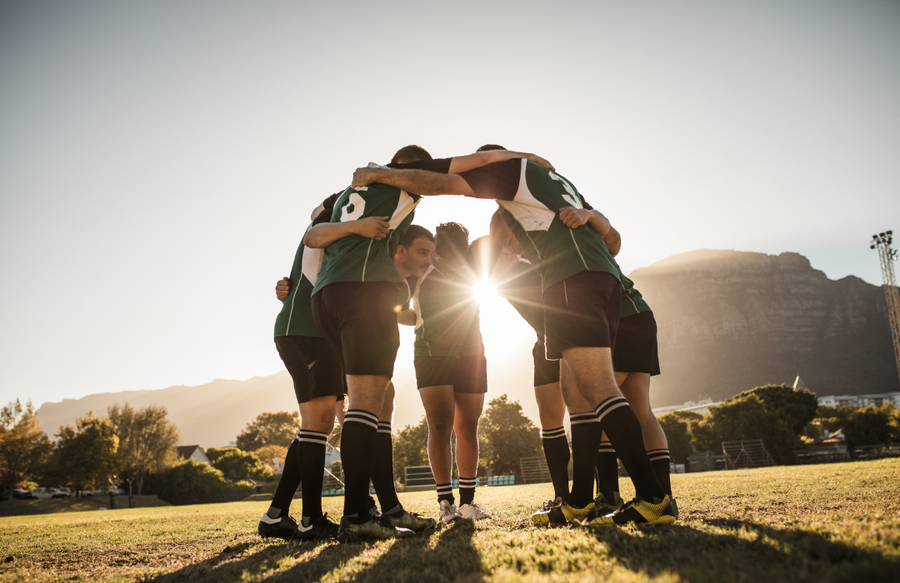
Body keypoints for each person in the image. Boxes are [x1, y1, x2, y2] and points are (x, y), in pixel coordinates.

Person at [351, 152, 676, 527]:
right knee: (603, 397)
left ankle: (646, 499)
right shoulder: (560, 188)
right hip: (606, 280)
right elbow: (614, 243)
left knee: (597, 394)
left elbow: (444, 179)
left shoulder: (511, 172)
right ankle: (605, 498)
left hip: (572, 281)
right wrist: (591, 221)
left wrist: (386, 175)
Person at [309, 146, 547, 541]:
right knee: (369, 407)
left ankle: (383, 509)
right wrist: (525, 159)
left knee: (375, 403)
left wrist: (353, 223)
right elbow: (478, 163)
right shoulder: (400, 184)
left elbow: (313, 231)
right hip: (364, 292)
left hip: (326, 296)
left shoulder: (354, 193)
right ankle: (359, 515)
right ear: (411, 168)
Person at [259, 193, 389, 541]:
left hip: (303, 328)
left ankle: (277, 515)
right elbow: (319, 273)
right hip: (309, 328)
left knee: (315, 426)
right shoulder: (333, 229)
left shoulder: (332, 229)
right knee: (319, 426)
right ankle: (312, 518)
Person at [412, 222, 490, 523]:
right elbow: (402, 309)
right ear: (436, 254)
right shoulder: (421, 274)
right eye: (450, 259)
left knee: (468, 426)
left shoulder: (473, 274)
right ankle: (446, 504)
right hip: (431, 356)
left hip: (472, 354)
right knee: (440, 425)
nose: (457, 265)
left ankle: (468, 503)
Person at [595, 273, 676, 515]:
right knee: (642, 411)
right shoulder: (591, 243)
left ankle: (609, 498)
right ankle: (665, 499)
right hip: (641, 315)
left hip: (620, 320)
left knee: (599, 407)